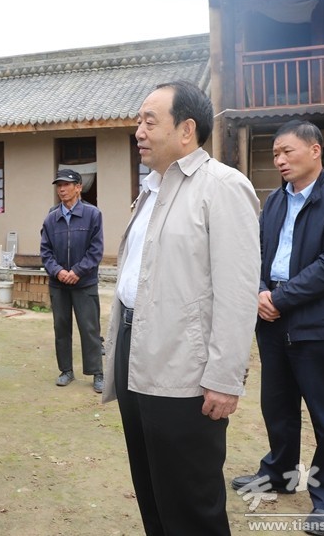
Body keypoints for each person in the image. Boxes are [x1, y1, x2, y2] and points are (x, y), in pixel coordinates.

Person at [102, 81, 260, 535]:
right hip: (134, 347)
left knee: (190, 499)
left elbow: (237, 292)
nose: (139, 131)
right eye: (138, 121)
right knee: (151, 485)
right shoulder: (152, 189)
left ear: (187, 130)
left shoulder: (223, 187)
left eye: (149, 121)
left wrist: (224, 378)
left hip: (184, 367)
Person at [231, 120, 324, 536]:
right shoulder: (274, 201)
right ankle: (279, 472)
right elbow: (255, 251)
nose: (280, 160)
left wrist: (280, 298)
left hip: (319, 323)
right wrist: (260, 291)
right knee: (277, 406)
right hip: (271, 319)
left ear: (315, 150)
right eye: (275, 153)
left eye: (287, 151)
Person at [40, 168, 105, 393]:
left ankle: (97, 372)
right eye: (59, 185)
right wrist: (58, 271)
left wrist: (77, 271)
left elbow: (96, 250)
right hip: (58, 284)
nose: (62, 189)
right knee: (61, 328)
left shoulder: (92, 214)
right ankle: (66, 370)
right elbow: (45, 251)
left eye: (66, 184)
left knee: (90, 328)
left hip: (84, 282)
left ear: (78, 187)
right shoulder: (51, 217)